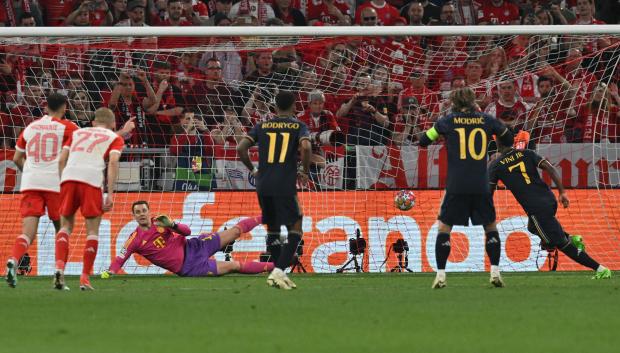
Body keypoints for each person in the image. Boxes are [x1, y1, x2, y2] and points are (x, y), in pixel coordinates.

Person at [418, 87, 514, 289]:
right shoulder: (487, 120)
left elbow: (423, 141)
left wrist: (440, 132)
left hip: (456, 185)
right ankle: (495, 271)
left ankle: (441, 275)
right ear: (473, 102)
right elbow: (508, 138)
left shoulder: (447, 121)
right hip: (481, 184)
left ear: (453, 102)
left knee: (444, 227)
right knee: (490, 226)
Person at [488, 139, 611, 279]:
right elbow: (550, 168)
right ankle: (571, 237)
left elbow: (489, 191)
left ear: (497, 144)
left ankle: (600, 268)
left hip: (536, 207)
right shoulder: (527, 153)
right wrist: (562, 192)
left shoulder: (496, 165)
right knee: (533, 227)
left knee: (559, 243)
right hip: (549, 200)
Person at [236, 91, 312, 290]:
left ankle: (279, 274)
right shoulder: (299, 126)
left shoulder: (262, 126)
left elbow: (241, 147)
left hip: (263, 184)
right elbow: (305, 147)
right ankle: (278, 271)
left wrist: (253, 170)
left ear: (275, 107)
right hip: (284, 184)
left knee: (274, 229)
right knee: (296, 227)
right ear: (294, 106)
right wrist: (304, 170)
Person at [5, 93, 79, 288]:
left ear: (46, 107)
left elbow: (16, 158)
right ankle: (59, 272)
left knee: (28, 233)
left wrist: (29, 171)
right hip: (55, 183)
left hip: (31, 183)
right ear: (64, 107)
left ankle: (13, 259)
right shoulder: (68, 127)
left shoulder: (30, 127)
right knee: (62, 229)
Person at [100, 201, 273, 278]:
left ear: (149, 211)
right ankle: (277, 266)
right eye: (138, 212)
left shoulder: (160, 221)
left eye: (144, 210)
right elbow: (120, 258)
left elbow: (187, 231)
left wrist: (173, 224)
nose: (142, 214)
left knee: (235, 232)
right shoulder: (135, 239)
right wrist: (110, 272)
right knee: (234, 266)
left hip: (195, 246)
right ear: (134, 216)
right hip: (190, 267)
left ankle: (268, 216)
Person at [53, 108, 125, 291]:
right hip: (91, 180)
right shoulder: (115, 138)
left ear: (93, 122)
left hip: (69, 177)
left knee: (65, 227)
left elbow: (61, 160)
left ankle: (59, 268)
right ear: (113, 124)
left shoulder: (78, 132)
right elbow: (114, 162)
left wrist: (63, 181)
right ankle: (84, 278)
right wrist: (110, 193)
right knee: (92, 231)